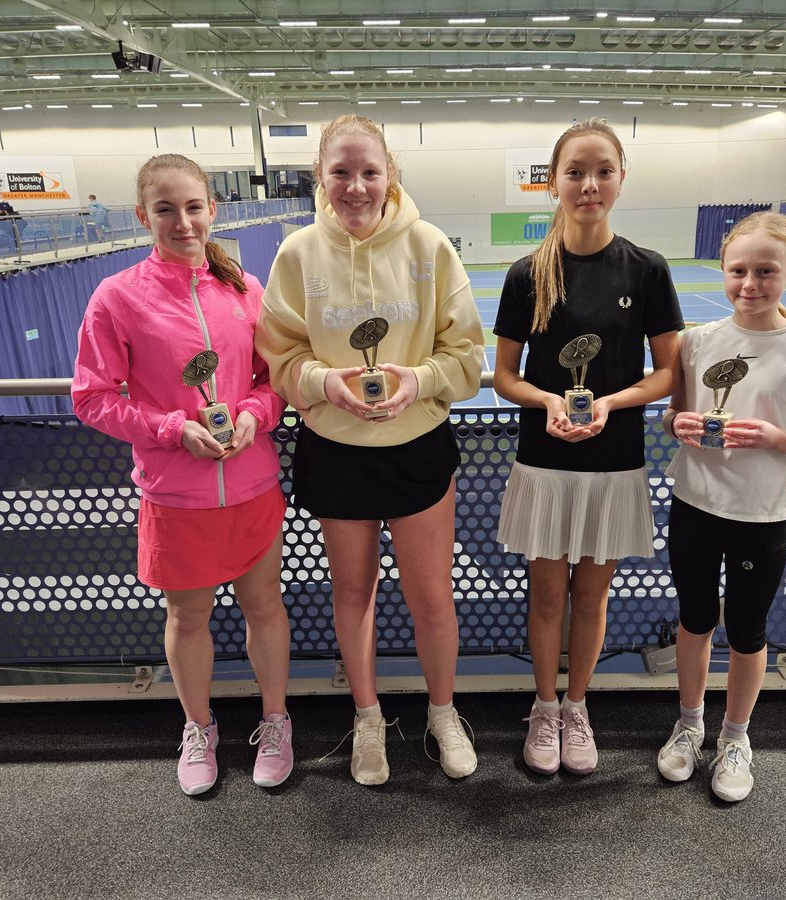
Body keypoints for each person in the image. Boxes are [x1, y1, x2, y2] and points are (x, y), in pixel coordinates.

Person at [256, 114, 485, 786]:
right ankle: (366, 716)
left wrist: (421, 380)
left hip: (417, 448)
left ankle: (443, 713)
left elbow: (467, 358)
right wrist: (326, 383)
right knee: (352, 593)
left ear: (390, 176)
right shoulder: (296, 254)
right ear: (320, 178)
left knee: (430, 597)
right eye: (340, 172)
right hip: (335, 448)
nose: (355, 186)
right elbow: (278, 359)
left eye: (369, 172)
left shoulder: (430, 246)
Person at [72, 153, 294, 797]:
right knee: (188, 618)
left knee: (263, 608)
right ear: (143, 216)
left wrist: (254, 415)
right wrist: (174, 430)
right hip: (176, 495)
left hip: (251, 486)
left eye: (193, 207)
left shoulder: (246, 290)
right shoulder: (116, 298)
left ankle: (275, 722)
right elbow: (92, 397)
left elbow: (270, 383)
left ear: (212, 211)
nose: (182, 221)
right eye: (165, 209)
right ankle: (198, 728)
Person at [493, 118, 683, 777]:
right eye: (575, 171)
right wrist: (546, 401)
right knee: (546, 597)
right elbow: (504, 377)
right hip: (545, 465)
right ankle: (544, 708)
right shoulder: (526, 275)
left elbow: (667, 373)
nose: (589, 184)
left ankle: (578, 706)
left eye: (603, 170)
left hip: (614, 461)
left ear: (621, 180)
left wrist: (610, 403)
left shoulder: (648, 270)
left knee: (592, 598)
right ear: (554, 183)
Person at [657, 211, 786, 802]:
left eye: (765, 271)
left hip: (761, 517)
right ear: (722, 270)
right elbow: (672, 416)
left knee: (745, 631)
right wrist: (677, 422)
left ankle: (735, 737)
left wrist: (776, 438)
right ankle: (689, 725)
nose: (750, 283)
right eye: (738, 270)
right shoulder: (696, 343)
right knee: (694, 620)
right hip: (693, 504)